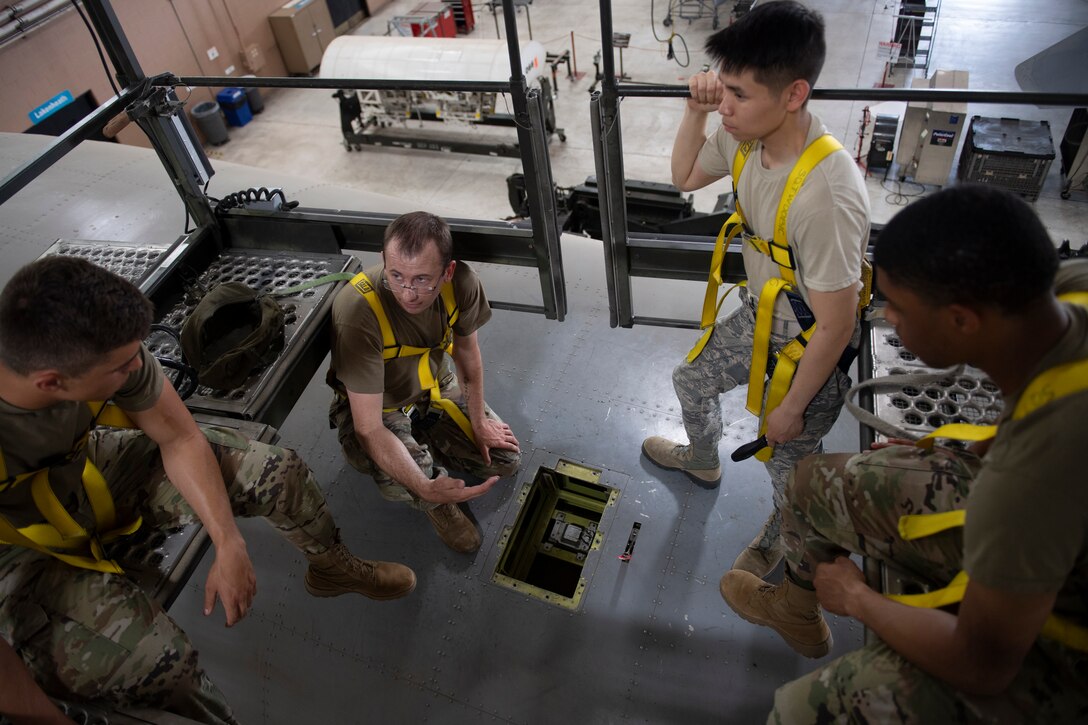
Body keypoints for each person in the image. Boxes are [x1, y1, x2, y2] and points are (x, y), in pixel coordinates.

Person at [721, 184, 1088, 722]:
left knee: (797, 714)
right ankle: (797, 611)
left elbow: (983, 664)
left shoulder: (1035, 475)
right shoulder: (1069, 295)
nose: (888, 318)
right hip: (1042, 514)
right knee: (807, 482)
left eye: (899, 307)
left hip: (1055, 647)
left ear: (963, 319)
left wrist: (858, 599)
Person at [0, 256, 416, 724]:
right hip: (11, 545)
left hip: (75, 466)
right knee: (161, 665)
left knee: (274, 471)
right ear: (51, 383)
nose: (139, 366)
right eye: (121, 367)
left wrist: (227, 539)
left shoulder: (109, 353)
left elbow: (179, 437)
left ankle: (331, 569)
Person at [642, 0, 870, 578]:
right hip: (760, 313)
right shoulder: (745, 140)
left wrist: (790, 408)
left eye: (738, 94)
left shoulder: (827, 196)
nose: (727, 106)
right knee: (691, 380)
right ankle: (702, 458)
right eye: (723, 89)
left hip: (810, 342)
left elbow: (838, 324)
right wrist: (697, 111)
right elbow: (686, 176)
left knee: (787, 460)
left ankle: (784, 538)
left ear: (794, 95)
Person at [327, 211, 521, 554]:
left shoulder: (462, 283)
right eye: (396, 275)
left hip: (432, 382)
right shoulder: (358, 313)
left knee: (504, 460)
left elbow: (467, 354)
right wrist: (424, 486)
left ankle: (426, 438)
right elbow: (369, 428)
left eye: (421, 280)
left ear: (447, 272)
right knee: (396, 471)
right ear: (383, 261)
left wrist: (478, 421)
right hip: (378, 404)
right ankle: (436, 501)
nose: (408, 293)